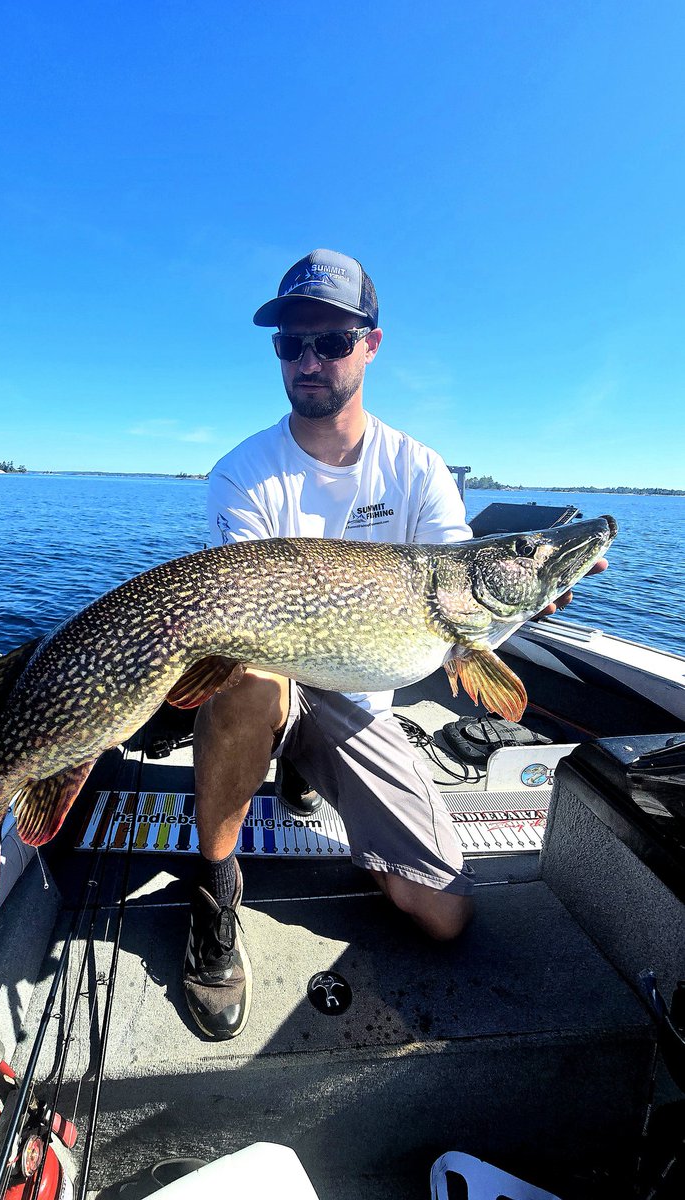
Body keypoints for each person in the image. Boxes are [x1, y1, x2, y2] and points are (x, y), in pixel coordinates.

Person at [181, 249, 604, 1041]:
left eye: (331, 342)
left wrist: (533, 591)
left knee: (444, 915)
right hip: (268, 677)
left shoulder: (416, 467)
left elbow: (464, 581)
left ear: (371, 345)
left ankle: (311, 770)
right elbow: (232, 619)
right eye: (291, 343)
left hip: (358, 698)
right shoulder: (242, 473)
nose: (309, 359)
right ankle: (215, 891)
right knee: (250, 686)